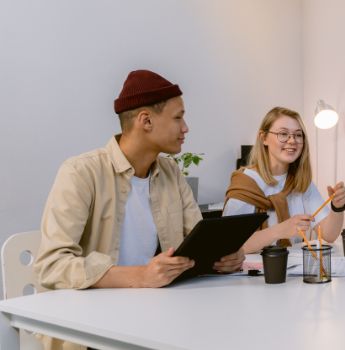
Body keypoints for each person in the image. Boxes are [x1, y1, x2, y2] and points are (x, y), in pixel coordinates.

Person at [33, 70, 245, 349]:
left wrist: (224, 256)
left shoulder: (170, 171)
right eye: (178, 117)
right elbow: (51, 265)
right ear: (146, 120)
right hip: (91, 329)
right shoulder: (81, 172)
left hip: (154, 318)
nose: (186, 128)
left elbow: (196, 239)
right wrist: (140, 275)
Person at [223, 107, 345, 253]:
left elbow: (329, 235)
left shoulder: (301, 183)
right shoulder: (245, 183)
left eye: (298, 135)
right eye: (283, 134)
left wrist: (337, 207)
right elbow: (229, 245)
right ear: (263, 138)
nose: (292, 140)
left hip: (291, 269)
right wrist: (280, 230)